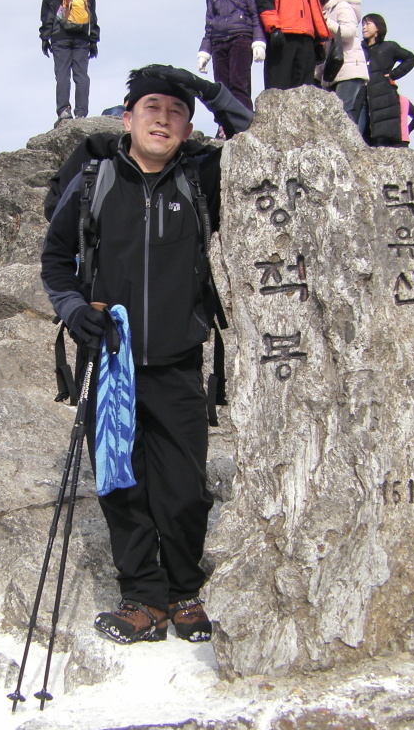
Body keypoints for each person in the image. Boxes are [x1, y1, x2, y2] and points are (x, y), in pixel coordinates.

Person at [41, 66, 252, 645]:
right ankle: (144, 597)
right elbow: (56, 262)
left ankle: (185, 591)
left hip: (181, 360)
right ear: (126, 116)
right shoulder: (96, 179)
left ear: (189, 127)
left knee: (184, 487)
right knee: (120, 480)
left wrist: (213, 92)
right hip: (108, 360)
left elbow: (261, 144)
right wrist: (73, 310)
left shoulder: (202, 179)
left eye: (177, 111)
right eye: (151, 107)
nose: (163, 119)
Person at [198, 0, 266, 132]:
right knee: (222, 88)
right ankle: (225, 127)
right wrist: (204, 53)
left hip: (241, 39)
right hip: (218, 43)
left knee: (238, 83)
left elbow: (256, 17)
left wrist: (258, 42)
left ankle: (244, 124)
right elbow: (210, 26)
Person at [254, 0, 329, 90]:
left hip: (307, 39)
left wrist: (318, 42)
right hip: (282, 36)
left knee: (305, 92)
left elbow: (313, 9)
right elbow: (264, 0)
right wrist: (273, 27)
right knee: (278, 89)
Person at [40, 0, 100, 120]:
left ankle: (64, 111)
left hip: (60, 38)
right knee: (81, 75)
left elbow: (47, 17)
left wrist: (45, 38)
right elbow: (92, 19)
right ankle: (81, 113)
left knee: (62, 75)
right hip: (82, 39)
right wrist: (93, 41)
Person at [357, 13, 414, 145]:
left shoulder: (389, 47)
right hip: (362, 97)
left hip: (383, 98)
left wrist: (393, 75)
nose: (364, 28)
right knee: (358, 136)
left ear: (378, 27)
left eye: (368, 24)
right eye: (362, 25)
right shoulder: (359, 48)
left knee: (381, 140)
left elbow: (410, 58)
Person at [314, 0, 367, 122]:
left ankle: (352, 144)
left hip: (349, 68)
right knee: (333, 112)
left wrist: (326, 22)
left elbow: (349, 33)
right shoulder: (325, 11)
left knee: (343, 111)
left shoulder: (341, 7)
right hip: (334, 70)